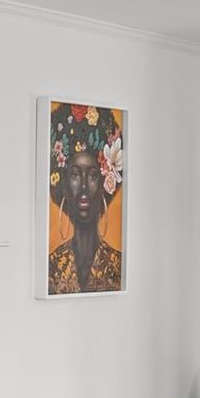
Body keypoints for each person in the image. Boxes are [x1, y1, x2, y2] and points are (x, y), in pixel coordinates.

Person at [49, 104, 124, 294]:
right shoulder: (51, 266)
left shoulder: (118, 266)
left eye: (92, 176)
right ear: (63, 183)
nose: (83, 187)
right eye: (75, 175)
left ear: (104, 182)